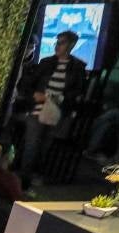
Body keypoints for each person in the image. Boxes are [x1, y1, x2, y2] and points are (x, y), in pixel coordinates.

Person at [16, 30, 86, 189]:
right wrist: (35, 95)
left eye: (61, 43)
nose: (57, 46)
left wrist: (58, 99)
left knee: (46, 144)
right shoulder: (46, 63)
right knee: (33, 142)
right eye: (57, 42)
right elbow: (28, 84)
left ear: (71, 45)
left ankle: (32, 176)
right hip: (38, 107)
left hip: (58, 110)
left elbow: (78, 92)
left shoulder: (77, 67)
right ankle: (24, 179)